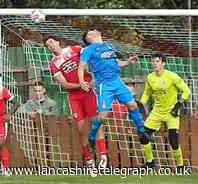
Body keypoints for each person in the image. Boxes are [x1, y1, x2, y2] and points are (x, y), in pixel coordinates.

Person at [78, 30, 149, 162]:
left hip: (117, 81)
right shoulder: (87, 50)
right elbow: (81, 66)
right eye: (92, 30)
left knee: (133, 104)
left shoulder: (109, 46)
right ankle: (92, 137)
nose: (95, 30)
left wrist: (127, 62)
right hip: (104, 85)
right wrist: (82, 81)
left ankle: (141, 131)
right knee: (103, 116)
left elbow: (116, 62)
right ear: (90, 37)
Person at [44, 36, 108, 168]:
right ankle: (89, 159)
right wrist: (81, 85)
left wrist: (95, 75)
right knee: (81, 129)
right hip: (74, 97)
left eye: (51, 42)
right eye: (47, 45)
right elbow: (64, 85)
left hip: (89, 92)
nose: (51, 45)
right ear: (48, 49)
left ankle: (103, 155)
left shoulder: (75, 49)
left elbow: (92, 57)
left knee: (96, 121)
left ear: (58, 42)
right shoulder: (53, 64)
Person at [140, 53, 191, 169]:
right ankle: (150, 163)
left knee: (173, 140)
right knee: (143, 136)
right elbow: (147, 93)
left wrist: (179, 103)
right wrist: (140, 104)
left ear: (163, 63)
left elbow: (187, 91)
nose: (154, 63)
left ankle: (180, 166)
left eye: (157, 61)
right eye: (153, 61)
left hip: (171, 112)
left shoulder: (172, 76)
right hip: (157, 111)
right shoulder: (150, 77)